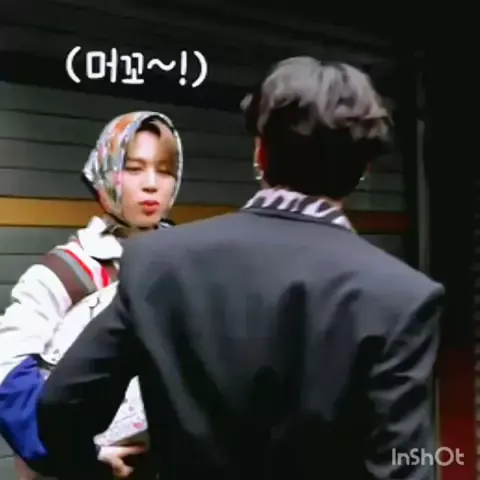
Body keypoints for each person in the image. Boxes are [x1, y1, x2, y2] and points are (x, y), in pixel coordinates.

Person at [37, 58, 443, 480]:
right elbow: (405, 467)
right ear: (364, 169)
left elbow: (61, 405)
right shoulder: (400, 296)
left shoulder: (157, 261)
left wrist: (91, 466)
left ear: (260, 152)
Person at [0, 110, 184, 479]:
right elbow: (6, 368)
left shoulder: (187, 262)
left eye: (164, 170)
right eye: (134, 168)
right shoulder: (66, 269)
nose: (151, 184)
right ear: (105, 171)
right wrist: (77, 453)